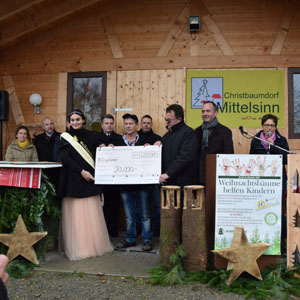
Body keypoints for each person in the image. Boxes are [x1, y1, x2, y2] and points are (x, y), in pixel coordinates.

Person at [58, 109, 113, 260]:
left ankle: (94, 246)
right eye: (72, 120)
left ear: (83, 120)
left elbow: (99, 148)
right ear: (69, 122)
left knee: (91, 214)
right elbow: (65, 158)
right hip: (73, 179)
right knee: (77, 216)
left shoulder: (91, 135)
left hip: (90, 180)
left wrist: (106, 148)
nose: (75, 122)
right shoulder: (65, 137)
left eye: (78, 119)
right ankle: (79, 248)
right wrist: (81, 171)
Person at [249, 114, 289, 252]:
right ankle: (261, 238)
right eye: (267, 125)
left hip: (278, 178)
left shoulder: (281, 140)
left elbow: (286, 159)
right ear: (262, 126)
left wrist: (274, 147)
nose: (269, 128)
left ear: (276, 127)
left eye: (272, 125)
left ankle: (281, 240)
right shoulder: (255, 140)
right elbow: (251, 159)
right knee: (262, 207)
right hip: (262, 180)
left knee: (277, 208)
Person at [116, 113, 153, 251]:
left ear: (136, 125)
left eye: (131, 123)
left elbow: (159, 142)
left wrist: (156, 145)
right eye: (126, 124)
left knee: (145, 215)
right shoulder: (119, 141)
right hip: (125, 186)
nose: (128, 126)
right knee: (129, 216)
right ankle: (130, 239)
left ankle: (147, 240)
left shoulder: (145, 140)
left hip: (142, 185)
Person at [195, 101, 234, 185]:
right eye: (203, 111)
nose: (205, 113)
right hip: (198, 177)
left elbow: (229, 155)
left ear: (216, 113)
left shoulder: (225, 131)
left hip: (217, 177)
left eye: (208, 111)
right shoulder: (197, 131)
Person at [159, 104, 198, 188]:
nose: (166, 122)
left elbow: (185, 156)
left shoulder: (188, 133)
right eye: (166, 119)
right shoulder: (167, 135)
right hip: (169, 181)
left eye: (169, 120)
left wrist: (168, 173)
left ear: (179, 119)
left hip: (182, 182)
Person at [97, 114, 123, 237]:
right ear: (102, 125)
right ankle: (101, 231)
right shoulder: (96, 139)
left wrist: (116, 149)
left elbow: (124, 155)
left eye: (111, 123)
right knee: (100, 205)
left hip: (114, 179)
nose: (109, 125)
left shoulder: (119, 139)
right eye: (106, 123)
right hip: (100, 179)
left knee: (114, 205)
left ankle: (112, 229)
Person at [139, 115, 161, 237]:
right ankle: (141, 231)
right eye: (144, 122)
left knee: (157, 205)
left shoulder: (158, 139)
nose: (146, 125)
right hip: (139, 179)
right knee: (142, 207)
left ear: (151, 124)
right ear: (141, 124)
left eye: (148, 123)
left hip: (154, 179)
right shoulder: (135, 138)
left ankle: (157, 230)